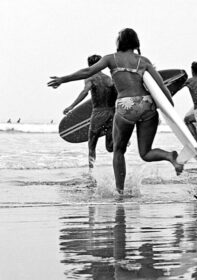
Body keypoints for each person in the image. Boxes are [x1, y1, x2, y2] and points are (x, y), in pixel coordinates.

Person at [48, 28, 183, 193]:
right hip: (147, 104)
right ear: (135, 43)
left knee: (118, 151)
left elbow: (88, 71)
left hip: (126, 105)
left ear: (120, 42)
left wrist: (64, 79)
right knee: (146, 152)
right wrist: (172, 113)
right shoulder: (144, 61)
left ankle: (120, 191)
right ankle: (170, 156)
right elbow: (162, 87)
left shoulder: (111, 59)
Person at [63, 55, 118, 170]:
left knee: (92, 145)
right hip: (112, 113)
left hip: (98, 114)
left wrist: (71, 106)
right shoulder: (109, 78)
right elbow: (118, 95)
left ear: (89, 65)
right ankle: (123, 141)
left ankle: (91, 171)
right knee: (110, 147)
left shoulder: (90, 78)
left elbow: (85, 92)